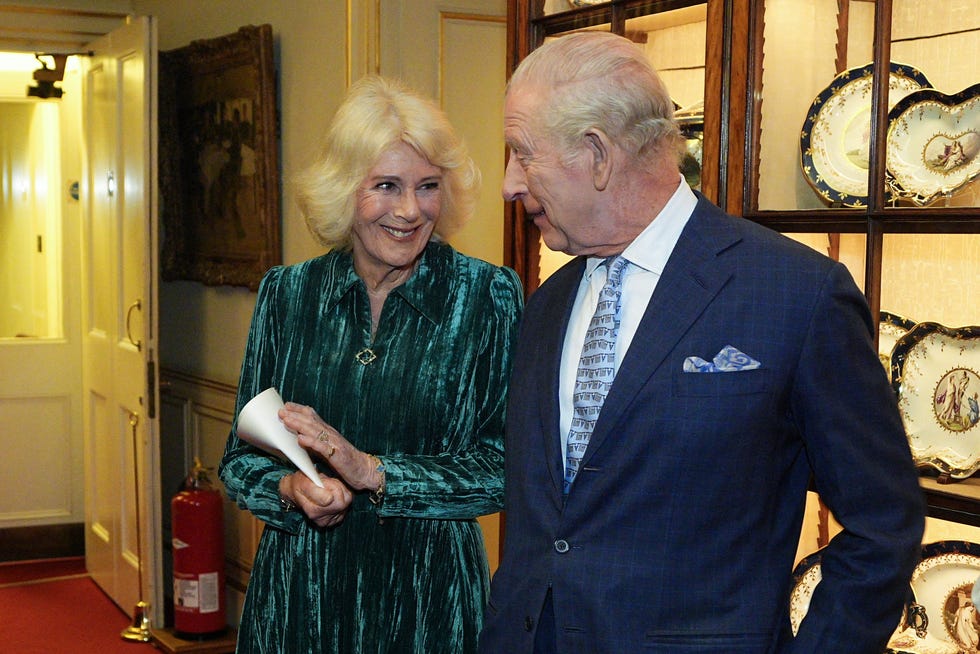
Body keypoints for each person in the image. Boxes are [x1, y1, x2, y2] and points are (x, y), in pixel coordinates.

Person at [478, 31, 924, 654]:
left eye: (523, 155)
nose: (508, 184)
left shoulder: (796, 295)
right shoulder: (547, 303)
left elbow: (884, 526)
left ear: (597, 155)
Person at [219, 75, 523, 653]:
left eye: (428, 186)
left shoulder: (489, 297)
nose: (410, 210)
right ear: (343, 189)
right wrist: (288, 487)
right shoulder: (288, 294)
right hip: (299, 601)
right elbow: (238, 460)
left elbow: (505, 466)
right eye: (385, 185)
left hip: (428, 604)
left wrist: (374, 472)